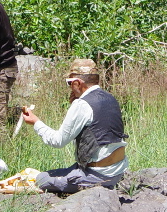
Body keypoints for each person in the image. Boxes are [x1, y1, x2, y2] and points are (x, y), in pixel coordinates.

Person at [19, 58, 128, 195]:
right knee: (50, 173)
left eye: (69, 83)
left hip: (97, 176)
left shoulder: (82, 104)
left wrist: (36, 122)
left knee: (40, 179)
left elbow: (58, 141)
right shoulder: (110, 98)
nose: (70, 87)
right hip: (116, 172)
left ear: (77, 82)